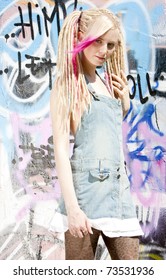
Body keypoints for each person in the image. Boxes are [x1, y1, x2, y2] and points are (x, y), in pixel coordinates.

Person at [49, 8, 143, 260]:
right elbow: (60, 150)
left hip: (118, 192)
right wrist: (72, 209)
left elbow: (105, 128)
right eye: (98, 41)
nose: (104, 51)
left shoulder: (105, 81)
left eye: (110, 45)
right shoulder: (67, 84)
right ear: (80, 36)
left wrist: (124, 101)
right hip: (85, 197)